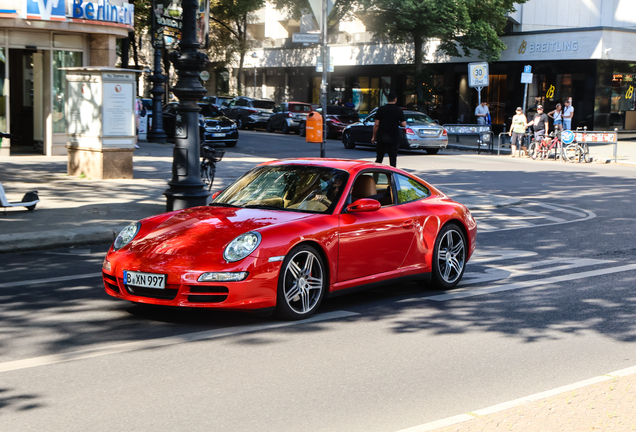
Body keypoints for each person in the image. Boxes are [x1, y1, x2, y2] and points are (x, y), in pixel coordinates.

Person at [371, 91, 406, 167]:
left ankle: (375, 176)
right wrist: (397, 122)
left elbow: (376, 124)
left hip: (382, 137)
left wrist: (374, 136)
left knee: (379, 159)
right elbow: (404, 124)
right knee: (393, 160)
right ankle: (392, 177)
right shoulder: (399, 110)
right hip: (394, 137)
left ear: (387, 99)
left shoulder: (381, 109)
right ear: (395, 99)